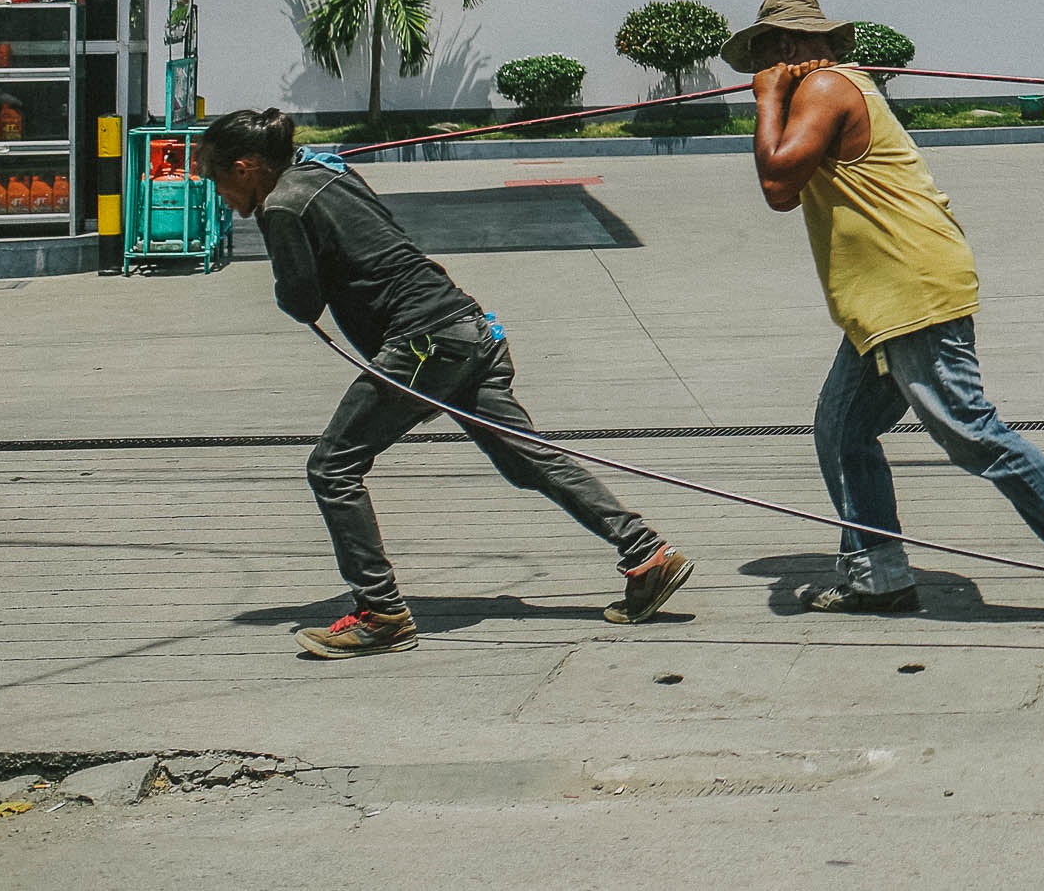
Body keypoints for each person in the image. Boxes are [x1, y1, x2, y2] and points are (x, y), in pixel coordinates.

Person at [192, 108, 691, 659]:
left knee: (332, 468)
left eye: (216, 181)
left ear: (244, 169)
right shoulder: (327, 170)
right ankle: (646, 552)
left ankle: (380, 612)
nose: (221, 198)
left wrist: (279, 245)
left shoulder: (282, 204)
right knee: (525, 458)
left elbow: (302, 301)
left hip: (421, 342)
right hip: (465, 324)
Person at [736, 0, 1044, 622]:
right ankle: (879, 575)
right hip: (881, 300)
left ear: (785, 46)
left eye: (761, 53)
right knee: (842, 432)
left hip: (909, 290)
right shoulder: (837, 87)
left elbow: (777, 184)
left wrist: (766, 101)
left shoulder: (825, 91)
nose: (759, 68)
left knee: (969, 431)